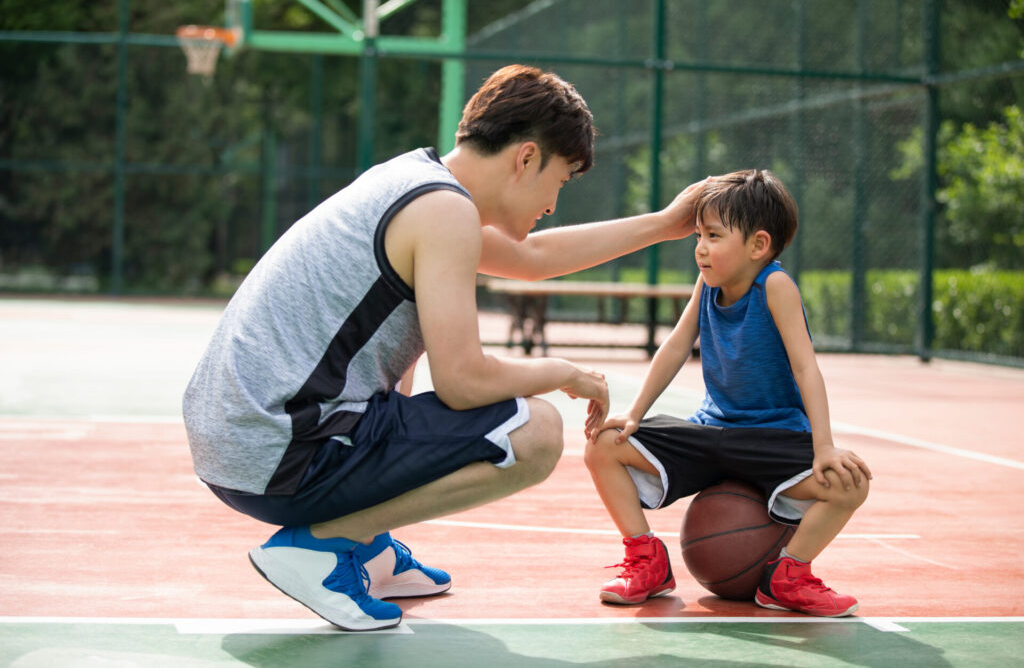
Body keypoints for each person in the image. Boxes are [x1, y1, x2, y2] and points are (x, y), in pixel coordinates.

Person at [182, 65, 705, 631]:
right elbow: (461, 383)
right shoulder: (444, 211)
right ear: (526, 158)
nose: (554, 203)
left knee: (394, 364)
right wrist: (565, 372)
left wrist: (666, 223)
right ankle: (327, 542)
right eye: (561, 179)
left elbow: (532, 261)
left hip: (241, 444)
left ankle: (369, 547)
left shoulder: (416, 183)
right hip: (280, 454)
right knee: (533, 432)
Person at [584, 169, 872, 618]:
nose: (700, 247)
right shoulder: (708, 284)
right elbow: (677, 344)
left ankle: (789, 575)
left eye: (714, 235)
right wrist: (636, 414)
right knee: (603, 446)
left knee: (850, 483)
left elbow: (805, 367)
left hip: (772, 438)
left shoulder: (775, 286)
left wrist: (824, 447)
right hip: (711, 432)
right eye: (698, 235)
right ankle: (647, 559)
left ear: (758, 245)